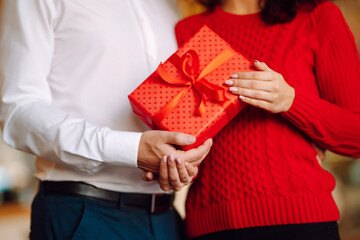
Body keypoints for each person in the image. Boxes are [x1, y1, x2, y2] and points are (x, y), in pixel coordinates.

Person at [0, 0, 213, 239]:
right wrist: (130, 149)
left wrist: (182, 153)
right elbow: (18, 112)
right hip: (82, 213)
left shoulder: (170, 6)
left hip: (166, 217)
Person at [168, 0, 360, 239]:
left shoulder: (317, 16)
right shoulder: (186, 29)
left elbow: (355, 136)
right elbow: (182, 136)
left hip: (301, 220)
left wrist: (291, 101)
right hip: (211, 224)